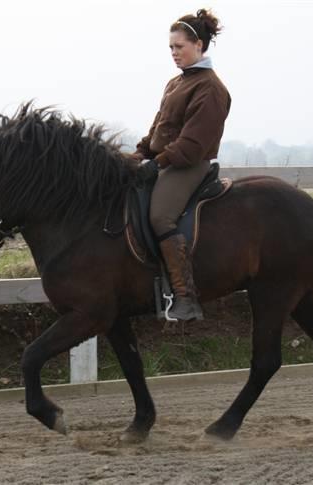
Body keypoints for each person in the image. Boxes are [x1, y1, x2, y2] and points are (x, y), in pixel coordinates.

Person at [131, 9, 231, 321]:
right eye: (171, 48)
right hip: (165, 161)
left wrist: (155, 164)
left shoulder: (211, 88)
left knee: (160, 216)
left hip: (188, 166)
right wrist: (137, 156)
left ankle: (185, 296)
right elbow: (158, 129)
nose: (174, 53)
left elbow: (191, 146)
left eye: (179, 47)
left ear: (198, 45)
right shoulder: (176, 82)